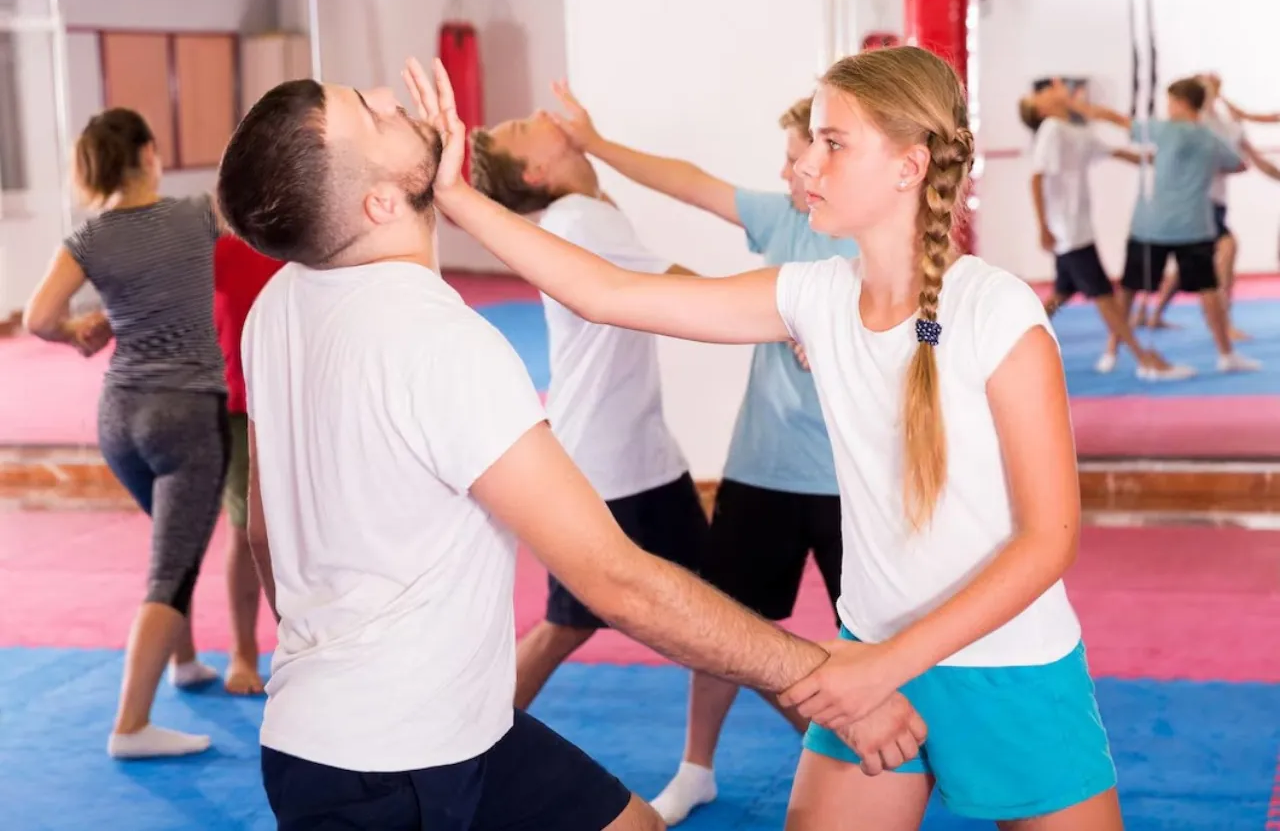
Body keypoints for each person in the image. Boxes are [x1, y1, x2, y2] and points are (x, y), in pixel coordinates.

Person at [420, 44, 1124, 828]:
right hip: (874, 657)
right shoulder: (814, 297)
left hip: (1007, 667)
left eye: (833, 143)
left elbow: (1050, 541)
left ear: (910, 166)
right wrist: (458, 198)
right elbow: (607, 293)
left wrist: (881, 667)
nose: (805, 166)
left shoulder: (997, 312)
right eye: (811, 140)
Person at [216, 73, 925, 830]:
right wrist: (825, 678)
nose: (392, 97)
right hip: (389, 765)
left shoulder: (281, 301)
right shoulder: (441, 344)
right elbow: (619, 582)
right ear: (382, 204)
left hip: (446, 729)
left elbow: (265, 534)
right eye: (372, 113)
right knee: (593, 608)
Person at [540, 88, 854, 824]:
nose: (787, 173)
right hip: (761, 469)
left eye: (799, 157)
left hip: (853, 480)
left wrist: (859, 341)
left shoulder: (878, 245)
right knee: (726, 623)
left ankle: (883, 757)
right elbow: (687, 182)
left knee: (870, 634)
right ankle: (696, 767)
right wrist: (596, 141)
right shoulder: (785, 218)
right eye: (790, 156)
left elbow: (931, 337)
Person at [469, 115, 709, 711]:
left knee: (716, 611)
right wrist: (793, 314)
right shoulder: (580, 220)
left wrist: (590, 142)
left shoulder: (586, 212)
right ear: (536, 171)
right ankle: (469, 735)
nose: (536, 116)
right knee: (574, 623)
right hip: (608, 465)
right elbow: (689, 295)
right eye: (522, 127)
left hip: (633, 454)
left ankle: (736, 750)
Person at [24, 108, 229, 759]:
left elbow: (38, 318)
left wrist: (78, 331)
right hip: (187, 414)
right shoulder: (196, 215)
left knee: (175, 540)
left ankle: (184, 661)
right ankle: (132, 725)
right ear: (147, 154)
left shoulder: (89, 237)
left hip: (119, 418)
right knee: (173, 564)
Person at [1074, 78, 1259, 374]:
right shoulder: (1210, 137)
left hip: (1152, 226)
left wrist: (1077, 106)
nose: (1168, 107)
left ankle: (1110, 353)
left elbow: (1118, 119)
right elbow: (1240, 164)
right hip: (1194, 225)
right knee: (1208, 290)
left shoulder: (1164, 129)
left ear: (1181, 103)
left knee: (1129, 290)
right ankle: (1226, 355)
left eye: (1170, 102)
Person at [1018, 80, 1190, 380]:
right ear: (1042, 110)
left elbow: (1116, 152)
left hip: (1074, 229)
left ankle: (1012, 345)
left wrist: (1164, 160)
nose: (1053, 88)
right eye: (1043, 93)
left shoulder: (1073, 131)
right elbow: (1036, 178)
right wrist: (1043, 226)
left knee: (1061, 294)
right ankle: (1144, 359)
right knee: (1106, 298)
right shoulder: (1052, 130)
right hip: (1069, 232)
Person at [212, 235, 284, 694]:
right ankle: (242, 649)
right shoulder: (217, 249)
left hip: (304, 397)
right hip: (240, 404)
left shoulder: (305, 241)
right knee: (245, 529)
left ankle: (307, 644)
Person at [1140, 74, 1249, 340]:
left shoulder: (1223, 126)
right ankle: (1224, 324)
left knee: (1187, 263)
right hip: (1200, 203)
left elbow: (1241, 158)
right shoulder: (1193, 128)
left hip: (1214, 203)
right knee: (1227, 249)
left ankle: (1153, 313)